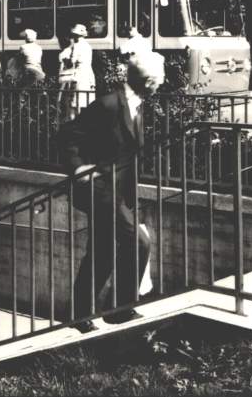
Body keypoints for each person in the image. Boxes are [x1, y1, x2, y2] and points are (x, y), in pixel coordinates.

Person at [59, 50, 165, 333]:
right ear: (150, 81)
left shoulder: (136, 105)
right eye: (160, 81)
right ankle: (119, 309)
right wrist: (78, 168)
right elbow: (68, 135)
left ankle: (79, 314)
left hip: (117, 193)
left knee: (102, 252)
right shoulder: (108, 105)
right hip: (100, 189)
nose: (161, 86)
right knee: (139, 242)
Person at [58, 23, 95, 120]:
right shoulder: (88, 46)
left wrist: (66, 59)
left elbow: (72, 61)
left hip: (79, 74)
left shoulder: (77, 46)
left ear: (76, 35)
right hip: (88, 75)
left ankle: (74, 123)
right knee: (85, 101)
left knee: (74, 103)